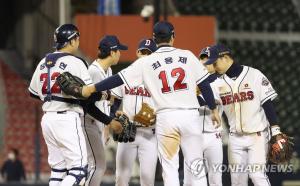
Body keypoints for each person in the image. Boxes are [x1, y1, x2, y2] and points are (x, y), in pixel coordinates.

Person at [81, 21, 221, 186]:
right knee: (196, 166)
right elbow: (205, 85)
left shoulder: (146, 61)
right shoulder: (188, 55)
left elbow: (117, 79)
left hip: (166, 118)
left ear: (154, 39)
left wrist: (92, 87)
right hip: (190, 116)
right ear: (173, 37)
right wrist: (213, 109)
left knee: (170, 169)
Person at [28, 24, 122, 186]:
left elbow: (33, 93)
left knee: (58, 170)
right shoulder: (76, 62)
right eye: (77, 38)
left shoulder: (43, 61)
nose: (78, 41)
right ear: (71, 41)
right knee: (78, 170)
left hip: (48, 118)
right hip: (67, 117)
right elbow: (87, 95)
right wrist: (104, 95)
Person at [204, 44, 279, 186]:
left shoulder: (254, 74)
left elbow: (267, 103)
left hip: (257, 135)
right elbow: (202, 97)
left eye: (215, 62)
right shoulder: (217, 82)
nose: (214, 66)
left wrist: (275, 130)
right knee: (238, 182)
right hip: (235, 138)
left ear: (225, 57)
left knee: (257, 176)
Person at [111, 38, 158, 186]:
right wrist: (114, 115)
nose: (146, 55)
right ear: (138, 52)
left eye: (149, 53)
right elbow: (115, 102)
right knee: (121, 178)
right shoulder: (126, 74)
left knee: (148, 179)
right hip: (127, 131)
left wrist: (157, 117)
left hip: (150, 134)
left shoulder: (158, 79)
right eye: (143, 52)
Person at [84, 35, 128, 186]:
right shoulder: (93, 72)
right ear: (112, 52)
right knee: (97, 166)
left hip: (99, 125)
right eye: (119, 50)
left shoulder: (107, 70)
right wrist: (109, 121)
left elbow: (103, 102)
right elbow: (88, 106)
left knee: (95, 166)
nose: (120, 54)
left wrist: (109, 123)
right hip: (89, 123)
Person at [197, 47, 224, 186]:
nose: (204, 62)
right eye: (202, 58)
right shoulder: (192, 83)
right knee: (194, 178)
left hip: (214, 135)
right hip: (194, 135)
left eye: (208, 59)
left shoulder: (223, 83)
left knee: (215, 179)